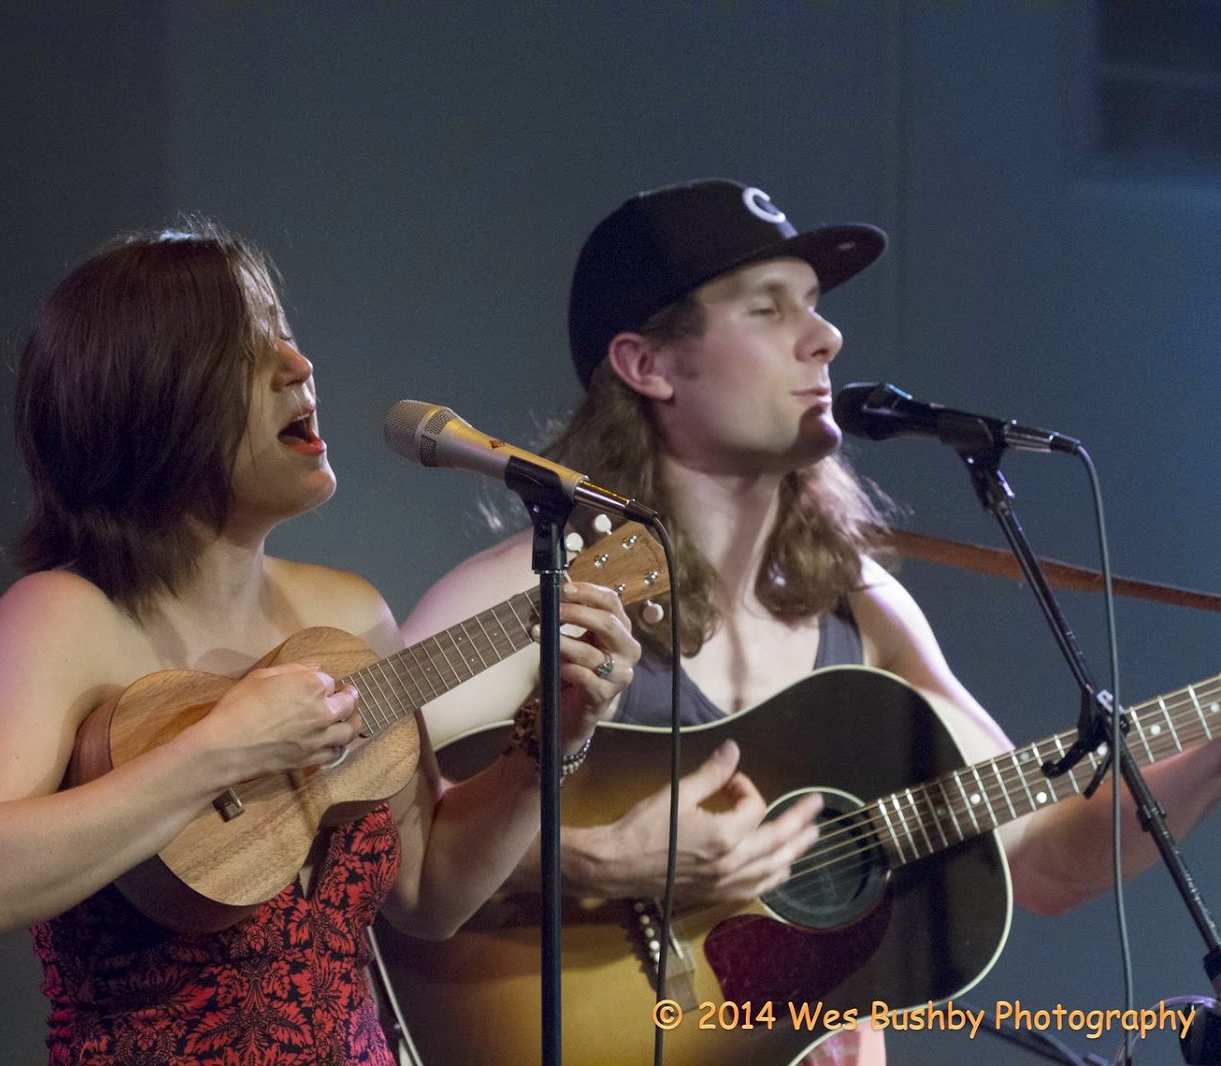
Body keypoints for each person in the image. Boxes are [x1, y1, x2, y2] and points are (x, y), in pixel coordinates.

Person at [400, 180, 1221, 1065]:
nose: (826, 337)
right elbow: (361, 846)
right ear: (648, 365)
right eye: (767, 309)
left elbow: (1046, 857)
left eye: (816, 305)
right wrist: (599, 861)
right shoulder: (532, 600)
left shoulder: (860, 604)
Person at [0, 221, 641, 1065]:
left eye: (286, 336)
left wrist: (551, 741)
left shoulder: (348, 612)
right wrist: (220, 749)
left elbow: (429, 893)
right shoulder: (63, 619)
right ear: (153, 395)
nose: (299, 366)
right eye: (250, 350)